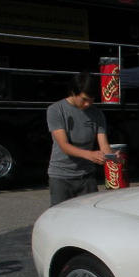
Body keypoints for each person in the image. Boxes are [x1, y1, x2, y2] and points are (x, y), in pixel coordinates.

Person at [46, 71, 113, 205]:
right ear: (72, 92)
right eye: (84, 99)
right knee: (61, 218)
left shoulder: (97, 114)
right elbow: (64, 146)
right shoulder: (55, 110)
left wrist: (112, 156)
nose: (88, 104)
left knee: (88, 219)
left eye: (92, 100)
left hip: (87, 177)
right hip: (61, 177)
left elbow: (104, 145)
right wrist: (90, 155)